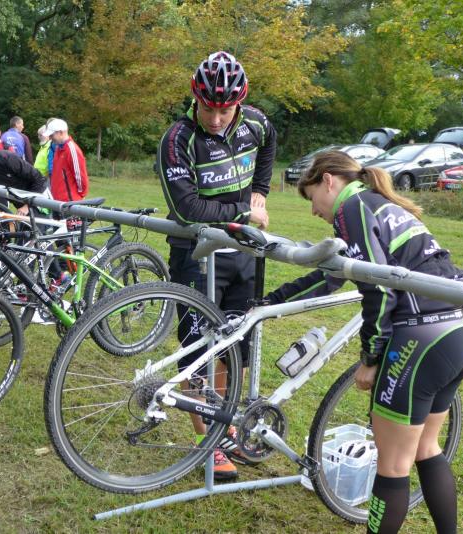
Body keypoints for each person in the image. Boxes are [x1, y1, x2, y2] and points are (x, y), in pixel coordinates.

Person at [266, 151, 463, 534]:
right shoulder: (378, 204)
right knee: (426, 449)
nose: (313, 210)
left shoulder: (354, 208)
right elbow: (331, 277)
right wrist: (272, 301)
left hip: (421, 337)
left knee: (393, 466)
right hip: (460, 330)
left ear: (328, 180)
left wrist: (371, 357)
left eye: (311, 197)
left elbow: (379, 290)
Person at [156, 51, 276, 481]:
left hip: (242, 255)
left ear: (239, 103)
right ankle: (206, 441)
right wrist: (246, 211)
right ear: (196, 99)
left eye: (226, 109)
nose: (217, 118)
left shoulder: (255, 123)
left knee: (234, 347)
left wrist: (260, 189)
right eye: (209, 108)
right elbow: (187, 208)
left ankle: (223, 427)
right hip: (196, 255)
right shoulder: (178, 138)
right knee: (199, 352)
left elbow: (269, 144)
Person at [45, 118, 88, 201]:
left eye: (52, 135)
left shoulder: (72, 150)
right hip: (57, 200)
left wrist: (79, 196)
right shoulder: (58, 148)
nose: (50, 138)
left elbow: (81, 177)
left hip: (69, 202)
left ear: (61, 132)